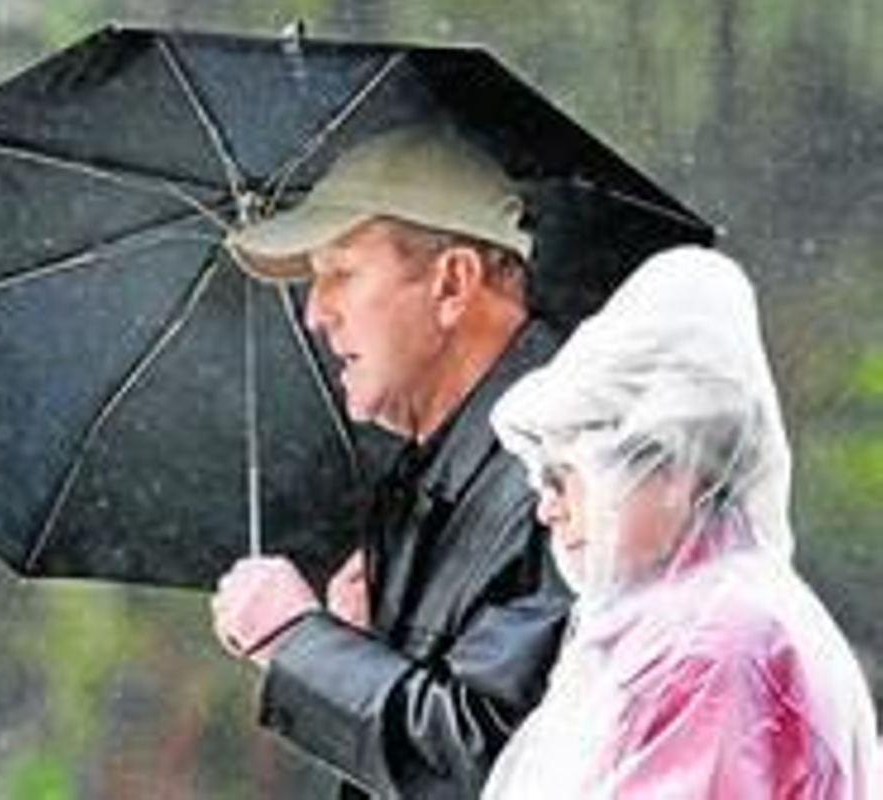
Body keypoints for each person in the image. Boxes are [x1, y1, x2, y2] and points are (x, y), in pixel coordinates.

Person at [211, 126, 572, 798]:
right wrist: (362, 653)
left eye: (341, 273)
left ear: (453, 283)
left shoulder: (570, 465)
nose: (316, 314)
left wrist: (301, 646)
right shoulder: (427, 478)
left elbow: (500, 765)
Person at [483, 246, 878, 798]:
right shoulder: (682, 619)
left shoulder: (714, 643)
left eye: (562, 477)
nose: (547, 508)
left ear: (673, 470)